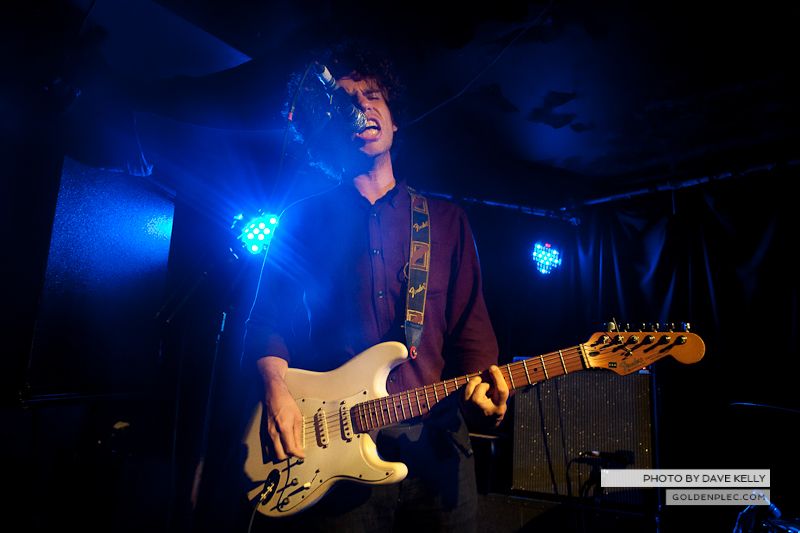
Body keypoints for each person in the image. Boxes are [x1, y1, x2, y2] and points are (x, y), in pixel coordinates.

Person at [242, 42, 508, 532]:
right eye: (346, 102)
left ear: (394, 118)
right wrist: (275, 389)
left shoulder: (446, 220)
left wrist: (486, 398)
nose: (362, 107)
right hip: (336, 456)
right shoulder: (302, 220)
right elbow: (265, 322)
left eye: (372, 96)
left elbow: (473, 334)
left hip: (437, 448)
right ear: (328, 128)